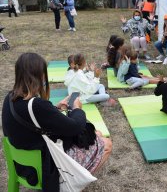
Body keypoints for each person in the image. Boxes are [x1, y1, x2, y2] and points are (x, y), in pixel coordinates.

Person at [2, 53, 112, 191]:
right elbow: (76, 127)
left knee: (97, 133)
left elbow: (35, 119)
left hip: (21, 165)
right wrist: (77, 109)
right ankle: (70, 184)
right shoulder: (37, 105)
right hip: (44, 169)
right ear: (39, 75)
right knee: (106, 143)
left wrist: (55, 108)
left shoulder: (10, 98)